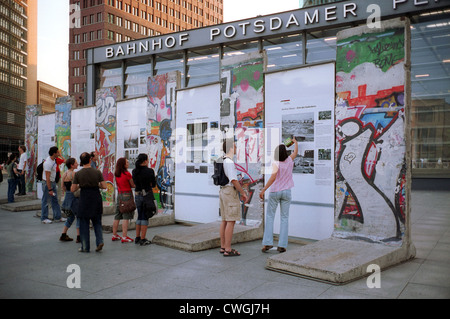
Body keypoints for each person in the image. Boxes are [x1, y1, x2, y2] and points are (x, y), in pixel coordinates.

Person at [259, 137, 298, 253]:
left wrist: (264, 189)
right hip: (287, 192)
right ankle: (282, 245)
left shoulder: (276, 163)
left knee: (270, 217)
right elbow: (295, 152)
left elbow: (273, 178)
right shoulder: (290, 160)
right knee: (284, 218)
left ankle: (267, 243)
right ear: (285, 152)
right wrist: (295, 143)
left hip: (275, 191)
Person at [71, 152, 106, 252]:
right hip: (95, 197)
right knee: (97, 222)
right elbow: (104, 186)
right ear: (90, 160)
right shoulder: (97, 172)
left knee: (84, 223)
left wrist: (80, 185)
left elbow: (73, 189)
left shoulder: (78, 174)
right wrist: (96, 184)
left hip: (84, 198)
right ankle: (99, 241)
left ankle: (85, 247)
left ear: (81, 162)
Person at [219, 138, 248, 257]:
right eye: (235, 146)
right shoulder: (229, 162)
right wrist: (242, 192)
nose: (236, 148)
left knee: (225, 220)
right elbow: (233, 180)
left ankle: (223, 246)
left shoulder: (222, 160)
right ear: (230, 148)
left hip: (223, 191)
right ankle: (228, 249)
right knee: (231, 221)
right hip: (230, 192)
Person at [132, 153, 156, 246]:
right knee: (145, 216)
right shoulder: (150, 171)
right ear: (145, 161)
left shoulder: (134, 171)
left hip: (137, 195)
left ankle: (137, 237)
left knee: (139, 215)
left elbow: (135, 183)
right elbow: (153, 184)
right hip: (147, 195)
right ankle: (143, 238)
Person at [112, 157, 136, 243]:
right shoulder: (127, 174)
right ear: (123, 164)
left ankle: (114, 234)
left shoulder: (116, 173)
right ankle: (124, 236)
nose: (128, 163)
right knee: (126, 215)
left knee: (117, 215)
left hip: (120, 194)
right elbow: (132, 185)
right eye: (126, 162)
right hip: (127, 195)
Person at [41, 146, 66, 224]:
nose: (59, 153)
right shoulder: (48, 163)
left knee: (55, 200)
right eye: (58, 152)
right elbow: (47, 177)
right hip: (47, 184)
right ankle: (44, 218)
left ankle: (58, 217)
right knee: (46, 201)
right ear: (54, 153)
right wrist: (50, 189)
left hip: (52, 183)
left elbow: (64, 160)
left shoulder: (54, 160)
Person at [59, 157, 80, 243]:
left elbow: (62, 186)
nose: (77, 163)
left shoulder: (65, 174)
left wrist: (67, 193)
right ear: (72, 165)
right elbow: (77, 186)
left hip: (67, 197)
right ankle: (79, 236)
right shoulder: (74, 174)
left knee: (70, 217)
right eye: (75, 163)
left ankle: (63, 234)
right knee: (79, 216)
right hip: (74, 197)